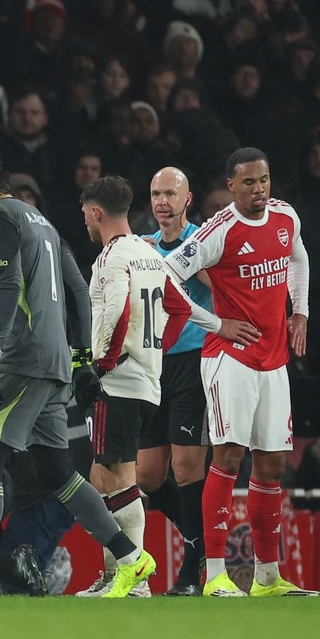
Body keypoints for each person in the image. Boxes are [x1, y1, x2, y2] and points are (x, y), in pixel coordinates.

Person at [0, 149, 153, 599]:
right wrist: (80, 358)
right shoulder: (42, 221)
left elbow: (8, 285)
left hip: (23, 358)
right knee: (56, 469)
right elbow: (78, 288)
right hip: (56, 361)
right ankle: (130, 556)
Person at [162, 147, 318, 597]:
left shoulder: (285, 216)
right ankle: (215, 574)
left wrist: (300, 311)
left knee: (271, 463)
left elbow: (298, 257)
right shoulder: (219, 230)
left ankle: (268, 577)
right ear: (231, 186)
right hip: (229, 359)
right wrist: (215, 323)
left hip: (274, 360)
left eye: (264, 180)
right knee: (228, 456)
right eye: (249, 182)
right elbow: (166, 274)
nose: (259, 189)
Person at [74, 175, 192, 598]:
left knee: (119, 479)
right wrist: (155, 348)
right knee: (100, 476)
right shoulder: (148, 252)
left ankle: (134, 577)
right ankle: (114, 574)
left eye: (85, 215)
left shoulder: (112, 257)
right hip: (144, 379)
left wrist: (101, 366)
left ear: (96, 213)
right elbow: (180, 308)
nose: (85, 223)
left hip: (118, 381)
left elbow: (119, 310)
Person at [141, 166, 214, 596]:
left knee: (187, 469)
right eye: (156, 194)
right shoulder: (144, 247)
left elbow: (223, 292)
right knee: (148, 476)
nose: (162, 202)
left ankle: (191, 570)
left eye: (170, 193)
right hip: (153, 365)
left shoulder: (203, 243)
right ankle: (200, 540)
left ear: (188, 199)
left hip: (192, 361)